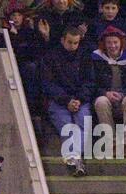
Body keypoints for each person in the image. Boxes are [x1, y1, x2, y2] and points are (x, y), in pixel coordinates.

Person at [41, 27, 92, 176]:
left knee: (83, 121)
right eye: (69, 42)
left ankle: (73, 158)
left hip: (80, 100)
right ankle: (76, 159)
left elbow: (90, 81)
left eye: (76, 43)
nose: (72, 46)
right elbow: (48, 84)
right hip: (58, 101)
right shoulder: (50, 57)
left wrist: (79, 100)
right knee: (67, 126)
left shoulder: (85, 56)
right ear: (63, 40)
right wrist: (66, 100)